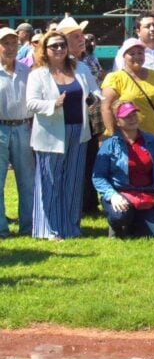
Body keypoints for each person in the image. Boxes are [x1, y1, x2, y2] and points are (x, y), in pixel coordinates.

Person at [26, 30, 101, 240]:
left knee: (74, 182)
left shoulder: (81, 68)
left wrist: (95, 99)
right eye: (54, 46)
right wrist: (53, 104)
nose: (59, 49)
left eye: (62, 45)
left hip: (79, 132)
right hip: (50, 135)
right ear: (45, 50)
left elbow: (95, 91)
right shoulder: (37, 74)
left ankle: (71, 227)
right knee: (50, 182)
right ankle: (50, 229)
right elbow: (30, 103)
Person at [92, 101, 154, 238]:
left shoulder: (151, 140)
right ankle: (116, 224)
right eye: (127, 116)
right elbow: (98, 176)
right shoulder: (109, 145)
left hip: (145, 194)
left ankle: (134, 222)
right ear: (117, 121)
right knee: (120, 216)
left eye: (134, 114)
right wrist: (113, 195)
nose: (132, 118)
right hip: (120, 194)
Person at [57, 16, 106, 218]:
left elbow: (96, 93)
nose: (82, 39)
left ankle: (87, 205)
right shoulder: (52, 67)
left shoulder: (84, 66)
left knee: (87, 164)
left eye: (81, 35)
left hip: (86, 125)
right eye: (76, 36)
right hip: (60, 126)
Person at [101, 39, 154, 146]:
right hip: (127, 140)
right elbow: (106, 108)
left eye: (140, 53)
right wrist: (113, 135)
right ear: (124, 57)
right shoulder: (115, 78)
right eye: (132, 54)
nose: (137, 56)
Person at [0, 27, 33, 237]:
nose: (10, 47)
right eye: (6, 43)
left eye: (14, 43)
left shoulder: (27, 70)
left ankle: (28, 227)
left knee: (27, 181)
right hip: (0, 129)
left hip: (24, 127)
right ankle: (1, 229)